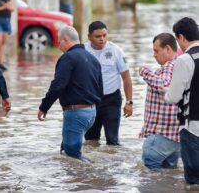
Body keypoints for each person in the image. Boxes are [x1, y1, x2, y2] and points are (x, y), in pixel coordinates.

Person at [37, 26, 103, 160]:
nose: (58, 46)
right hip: (91, 113)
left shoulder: (68, 58)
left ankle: (90, 174)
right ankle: (74, 179)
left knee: (72, 155)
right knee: (66, 152)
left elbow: (57, 86)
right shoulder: (93, 59)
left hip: (76, 113)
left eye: (59, 41)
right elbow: (100, 89)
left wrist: (44, 107)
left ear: (65, 39)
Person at [84, 21, 133, 145]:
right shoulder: (82, 51)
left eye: (104, 35)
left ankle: (113, 164)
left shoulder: (116, 51)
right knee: (90, 140)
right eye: (98, 36)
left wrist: (129, 102)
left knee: (112, 140)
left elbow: (126, 77)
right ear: (89, 36)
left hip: (111, 99)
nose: (102, 39)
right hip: (90, 101)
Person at [165, 17, 199, 184]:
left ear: (181, 38)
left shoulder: (185, 59)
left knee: (193, 180)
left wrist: (166, 92)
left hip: (193, 127)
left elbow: (174, 96)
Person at [139, 33, 180, 170]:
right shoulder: (179, 65)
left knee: (150, 168)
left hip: (162, 133)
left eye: (156, 51)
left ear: (167, 49)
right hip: (174, 136)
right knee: (169, 172)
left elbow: (163, 84)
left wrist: (144, 71)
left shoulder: (170, 65)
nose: (154, 55)